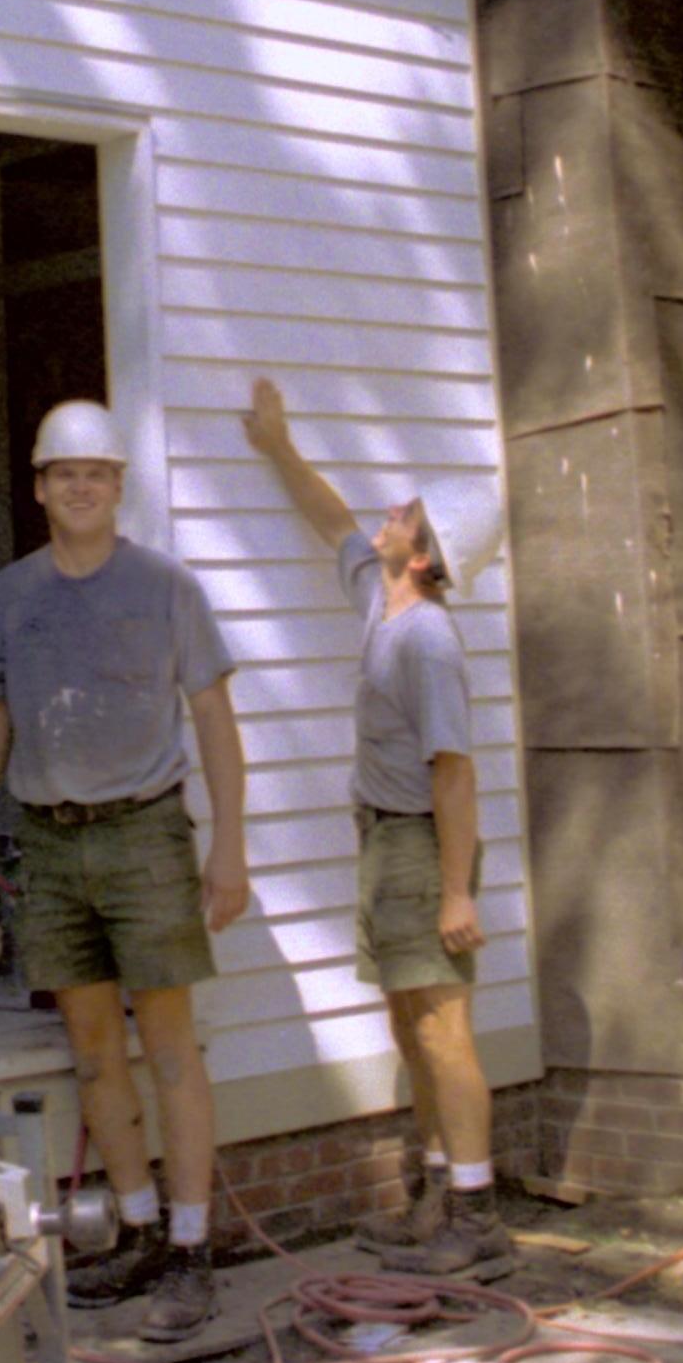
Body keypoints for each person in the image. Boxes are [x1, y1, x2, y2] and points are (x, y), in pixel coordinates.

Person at [0, 399, 250, 1341]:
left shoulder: (166, 589)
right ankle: (138, 1231)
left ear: (118, 487)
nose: (81, 486)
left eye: (98, 473)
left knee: (171, 1046)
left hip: (145, 834)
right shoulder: (11, 595)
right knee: (95, 1049)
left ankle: (192, 1249)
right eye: (64, 473)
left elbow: (217, 721)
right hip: (50, 842)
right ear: (38, 489)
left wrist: (228, 845)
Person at [240, 375, 512, 1278]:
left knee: (442, 1026)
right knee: (408, 1022)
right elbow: (333, 523)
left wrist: (456, 889)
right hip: (386, 840)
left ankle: (476, 1217)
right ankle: (438, 1191)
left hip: (422, 841)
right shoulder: (380, 602)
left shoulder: (428, 639)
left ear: (425, 556)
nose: (389, 512)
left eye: (407, 514)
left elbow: (456, 770)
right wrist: (279, 447)